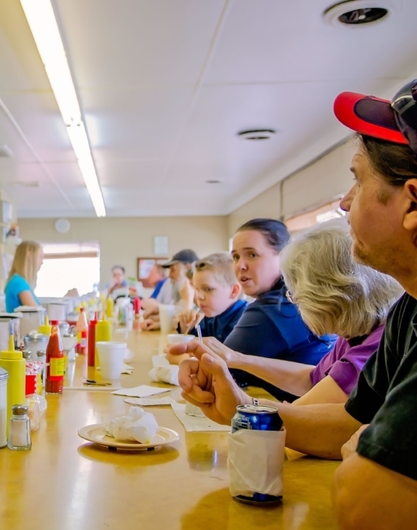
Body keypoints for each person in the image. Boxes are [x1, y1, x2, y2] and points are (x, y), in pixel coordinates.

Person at [176, 80, 417, 529]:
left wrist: (363, 451)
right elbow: (346, 424)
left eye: (358, 180)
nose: (344, 203)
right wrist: (241, 408)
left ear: (412, 203)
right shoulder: (409, 311)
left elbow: (366, 498)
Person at [172, 220, 399, 407]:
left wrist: (243, 404)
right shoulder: (351, 335)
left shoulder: (374, 345)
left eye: (297, 292)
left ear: (337, 291)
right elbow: (314, 379)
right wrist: (238, 359)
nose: (294, 301)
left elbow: (304, 418)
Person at [221, 218, 335, 402]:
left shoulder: (273, 310)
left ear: (284, 257)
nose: (240, 265)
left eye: (252, 255)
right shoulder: (294, 297)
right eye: (235, 257)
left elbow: (220, 369)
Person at [167, 252, 247, 364]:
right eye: (197, 289)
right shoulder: (211, 317)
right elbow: (194, 346)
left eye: (208, 289)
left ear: (234, 291)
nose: (199, 296)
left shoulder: (245, 322)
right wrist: (187, 328)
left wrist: (183, 360)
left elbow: (232, 367)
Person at [141, 249, 198, 329]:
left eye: (173, 270)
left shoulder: (199, 295)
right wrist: (158, 318)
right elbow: (177, 318)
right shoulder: (182, 293)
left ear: (188, 268)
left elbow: (187, 325)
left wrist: (187, 300)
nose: (169, 275)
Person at [4, 240, 43, 312]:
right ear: (29, 255)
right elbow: (36, 313)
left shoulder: (20, 281)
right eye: (40, 257)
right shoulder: (18, 282)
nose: (42, 262)